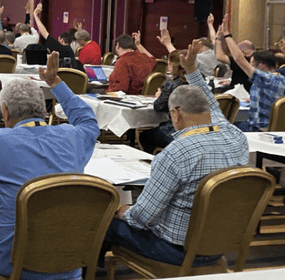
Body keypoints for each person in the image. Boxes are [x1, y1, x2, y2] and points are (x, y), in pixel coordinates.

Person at [0, 51, 99, 279]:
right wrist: (54, 82)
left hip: (14, 261)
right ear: (43, 108)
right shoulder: (73, 137)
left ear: (6, 112)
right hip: (67, 261)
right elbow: (88, 120)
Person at [101, 39, 248, 268]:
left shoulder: (175, 154)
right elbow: (212, 105)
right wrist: (191, 70)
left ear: (176, 114)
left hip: (177, 251)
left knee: (104, 219)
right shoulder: (236, 137)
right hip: (222, 245)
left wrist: (123, 211)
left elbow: (142, 218)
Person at [222, 18, 285, 132]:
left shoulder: (266, 79)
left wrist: (226, 35)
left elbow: (239, 59)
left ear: (260, 66)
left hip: (262, 128)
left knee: (226, 127)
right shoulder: (282, 80)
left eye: (252, 64)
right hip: (283, 129)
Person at [137, 49, 188, 154]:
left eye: (169, 64)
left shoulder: (171, 85)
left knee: (145, 136)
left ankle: (154, 160)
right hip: (196, 130)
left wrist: (160, 96)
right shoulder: (198, 82)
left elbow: (158, 107)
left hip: (174, 131)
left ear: (173, 65)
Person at [31, 2, 81, 70]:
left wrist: (35, 15)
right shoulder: (71, 51)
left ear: (62, 40)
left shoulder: (59, 48)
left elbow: (44, 32)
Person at [213, 15, 253, 90]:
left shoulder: (243, 62)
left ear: (247, 52)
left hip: (240, 95)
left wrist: (219, 37)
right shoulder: (260, 60)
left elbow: (219, 56)